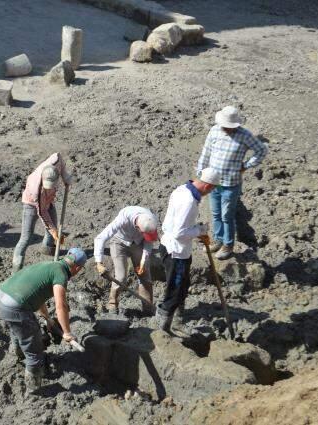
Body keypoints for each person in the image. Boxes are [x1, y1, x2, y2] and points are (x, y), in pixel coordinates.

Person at [0, 247, 87, 393]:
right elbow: (60, 305)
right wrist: (67, 332)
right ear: (77, 267)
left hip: (1, 297)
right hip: (15, 306)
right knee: (34, 347)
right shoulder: (60, 274)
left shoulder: (49, 265)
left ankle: (18, 354)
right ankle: (33, 388)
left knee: (18, 328)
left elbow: (40, 298)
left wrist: (48, 319)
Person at [197, 106, 268, 260]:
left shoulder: (245, 135)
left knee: (226, 216)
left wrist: (247, 165)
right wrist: (201, 172)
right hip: (213, 183)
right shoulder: (214, 131)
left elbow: (262, 150)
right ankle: (218, 239)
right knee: (215, 214)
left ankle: (228, 245)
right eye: (225, 126)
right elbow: (206, 151)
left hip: (231, 184)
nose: (226, 129)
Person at [155, 168, 221, 333]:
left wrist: (196, 229)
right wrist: (200, 231)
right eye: (212, 189)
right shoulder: (189, 202)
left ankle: (177, 318)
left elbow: (179, 225)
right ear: (207, 186)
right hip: (176, 252)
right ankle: (163, 327)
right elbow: (179, 233)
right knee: (175, 292)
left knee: (183, 285)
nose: (211, 192)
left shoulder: (182, 189)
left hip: (175, 249)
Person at [12, 153, 72, 273]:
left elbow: (60, 160)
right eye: (47, 187)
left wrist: (66, 178)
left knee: (53, 226)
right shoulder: (36, 190)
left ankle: (47, 249)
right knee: (26, 237)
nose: (50, 188)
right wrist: (54, 230)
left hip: (48, 200)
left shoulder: (56, 161)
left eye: (52, 186)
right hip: (31, 204)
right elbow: (42, 212)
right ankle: (16, 269)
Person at [94, 206, 159, 314]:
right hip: (119, 242)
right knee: (121, 277)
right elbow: (100, 238)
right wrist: (98, 262)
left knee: (144, 274)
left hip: (138, 243)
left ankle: (148, 307)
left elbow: (148, 242)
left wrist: (143, 261)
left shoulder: (151, 220)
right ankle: (112, 304)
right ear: (137, 228)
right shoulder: (123, 219)